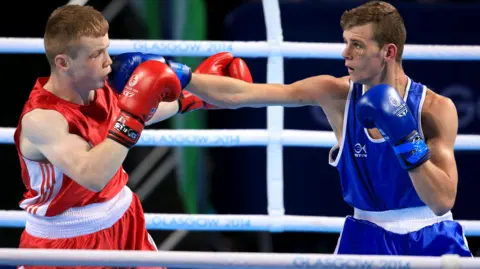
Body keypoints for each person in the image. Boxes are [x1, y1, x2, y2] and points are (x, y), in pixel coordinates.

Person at [148, 1, 470, 256]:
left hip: (431, 234)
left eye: (356, 45)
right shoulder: (335, 94)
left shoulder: (434, 109)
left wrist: (405, 138)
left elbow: (442, 200)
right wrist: (182, 77)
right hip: (366, 232)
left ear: (388, 52)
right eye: (345, 43)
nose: (345, 54)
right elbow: (245, 93)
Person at [13, 4, 252, 269]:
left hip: (123, 219)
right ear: (63, 63)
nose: (108, 61)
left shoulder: (101, 87)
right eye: (97, 54)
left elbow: (144, 109)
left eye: (107, 49)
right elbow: (92, 174)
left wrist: (196, 98)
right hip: (64, 241)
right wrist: (133, 117)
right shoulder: (41, 118)